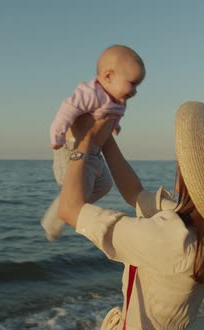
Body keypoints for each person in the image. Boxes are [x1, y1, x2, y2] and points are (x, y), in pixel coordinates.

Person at [58, 101, 204, 330]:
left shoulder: (172, 240)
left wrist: (83, 146)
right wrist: (104, 139)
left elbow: (69, 209)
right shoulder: (200, 231)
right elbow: (135, 193)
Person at [41, 45, 145, 241]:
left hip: (95, 149)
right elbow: (67, 110)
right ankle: (54, 219)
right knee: (76, 187)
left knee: (105, 185)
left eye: (138, 85)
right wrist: (57, 135)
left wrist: (114, 127)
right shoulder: (91, 93)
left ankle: (69, 205)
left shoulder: (118, 99)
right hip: (72, 147)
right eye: (132, 83)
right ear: (108, 76)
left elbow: (113, 117)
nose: (135, 91)